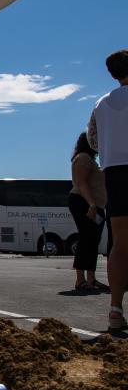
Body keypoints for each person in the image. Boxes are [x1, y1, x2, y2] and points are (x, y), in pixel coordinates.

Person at [87, 49, 128, 330]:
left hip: (115, 173)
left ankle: (115, 308)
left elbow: (92, 140)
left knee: (120, 246)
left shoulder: (101, 104)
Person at [69, 132, 109, 291]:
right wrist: (91, 204)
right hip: (84, 202)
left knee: (93, 240)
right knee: (86, 238)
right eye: (95, 140)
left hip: (95, 204)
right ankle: (80, 280)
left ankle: (91, 279)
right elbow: (82, 183)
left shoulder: (90, 160)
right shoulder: (83, 158)